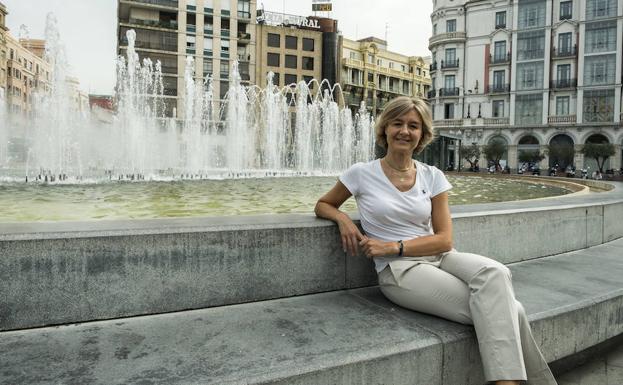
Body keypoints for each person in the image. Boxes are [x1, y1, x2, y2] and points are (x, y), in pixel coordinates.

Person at [315, 96, 557, 385]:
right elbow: (324, 204)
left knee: (496, 272)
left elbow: (444, 240)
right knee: (511, 310)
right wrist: (343, 219)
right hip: (400, 271)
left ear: (422, 134)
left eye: (413, 126)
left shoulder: (433, 176)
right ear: (385, 130)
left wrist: (394, 245)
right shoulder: (361, 173)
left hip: (440, 257)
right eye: (398, 123)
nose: (405, 131)